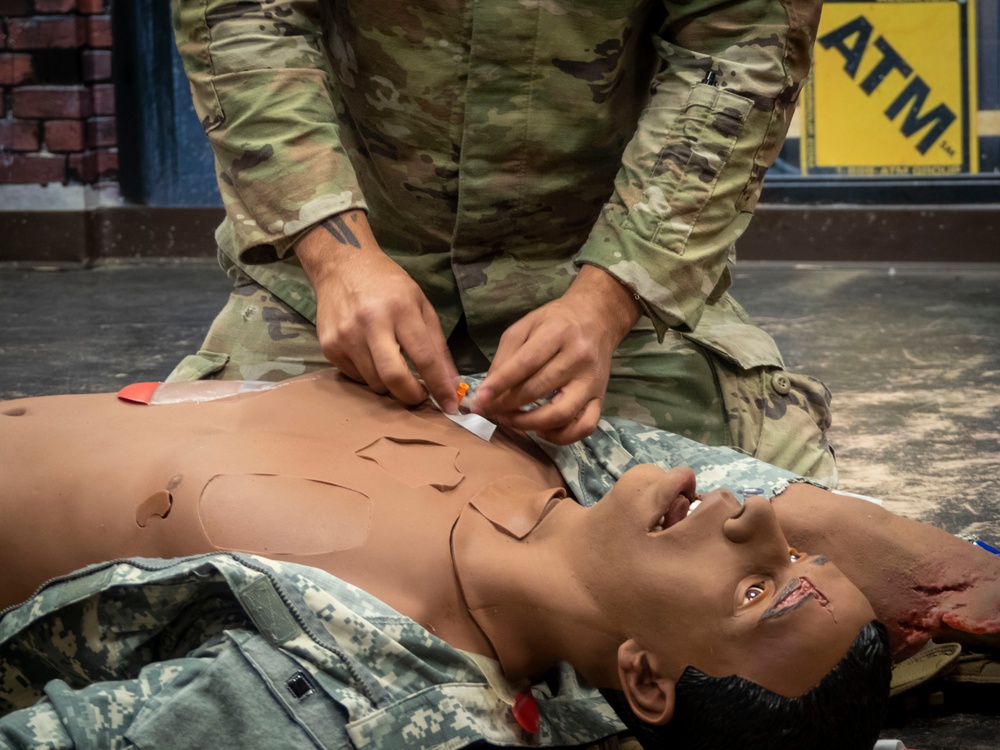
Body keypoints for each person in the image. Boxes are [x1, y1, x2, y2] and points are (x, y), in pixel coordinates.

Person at [0, 372, 904, 749]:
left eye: (757, 590)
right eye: (797, 553)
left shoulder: (364, 696)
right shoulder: (571, 451)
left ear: (647, 679)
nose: (752, 521)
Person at [169, 0, 838, 483]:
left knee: (795, 568)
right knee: (189, 520)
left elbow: (740, 45)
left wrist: (606, 303)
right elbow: (245, 19)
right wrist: (338, 256)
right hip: (337, 275)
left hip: (602, 274)